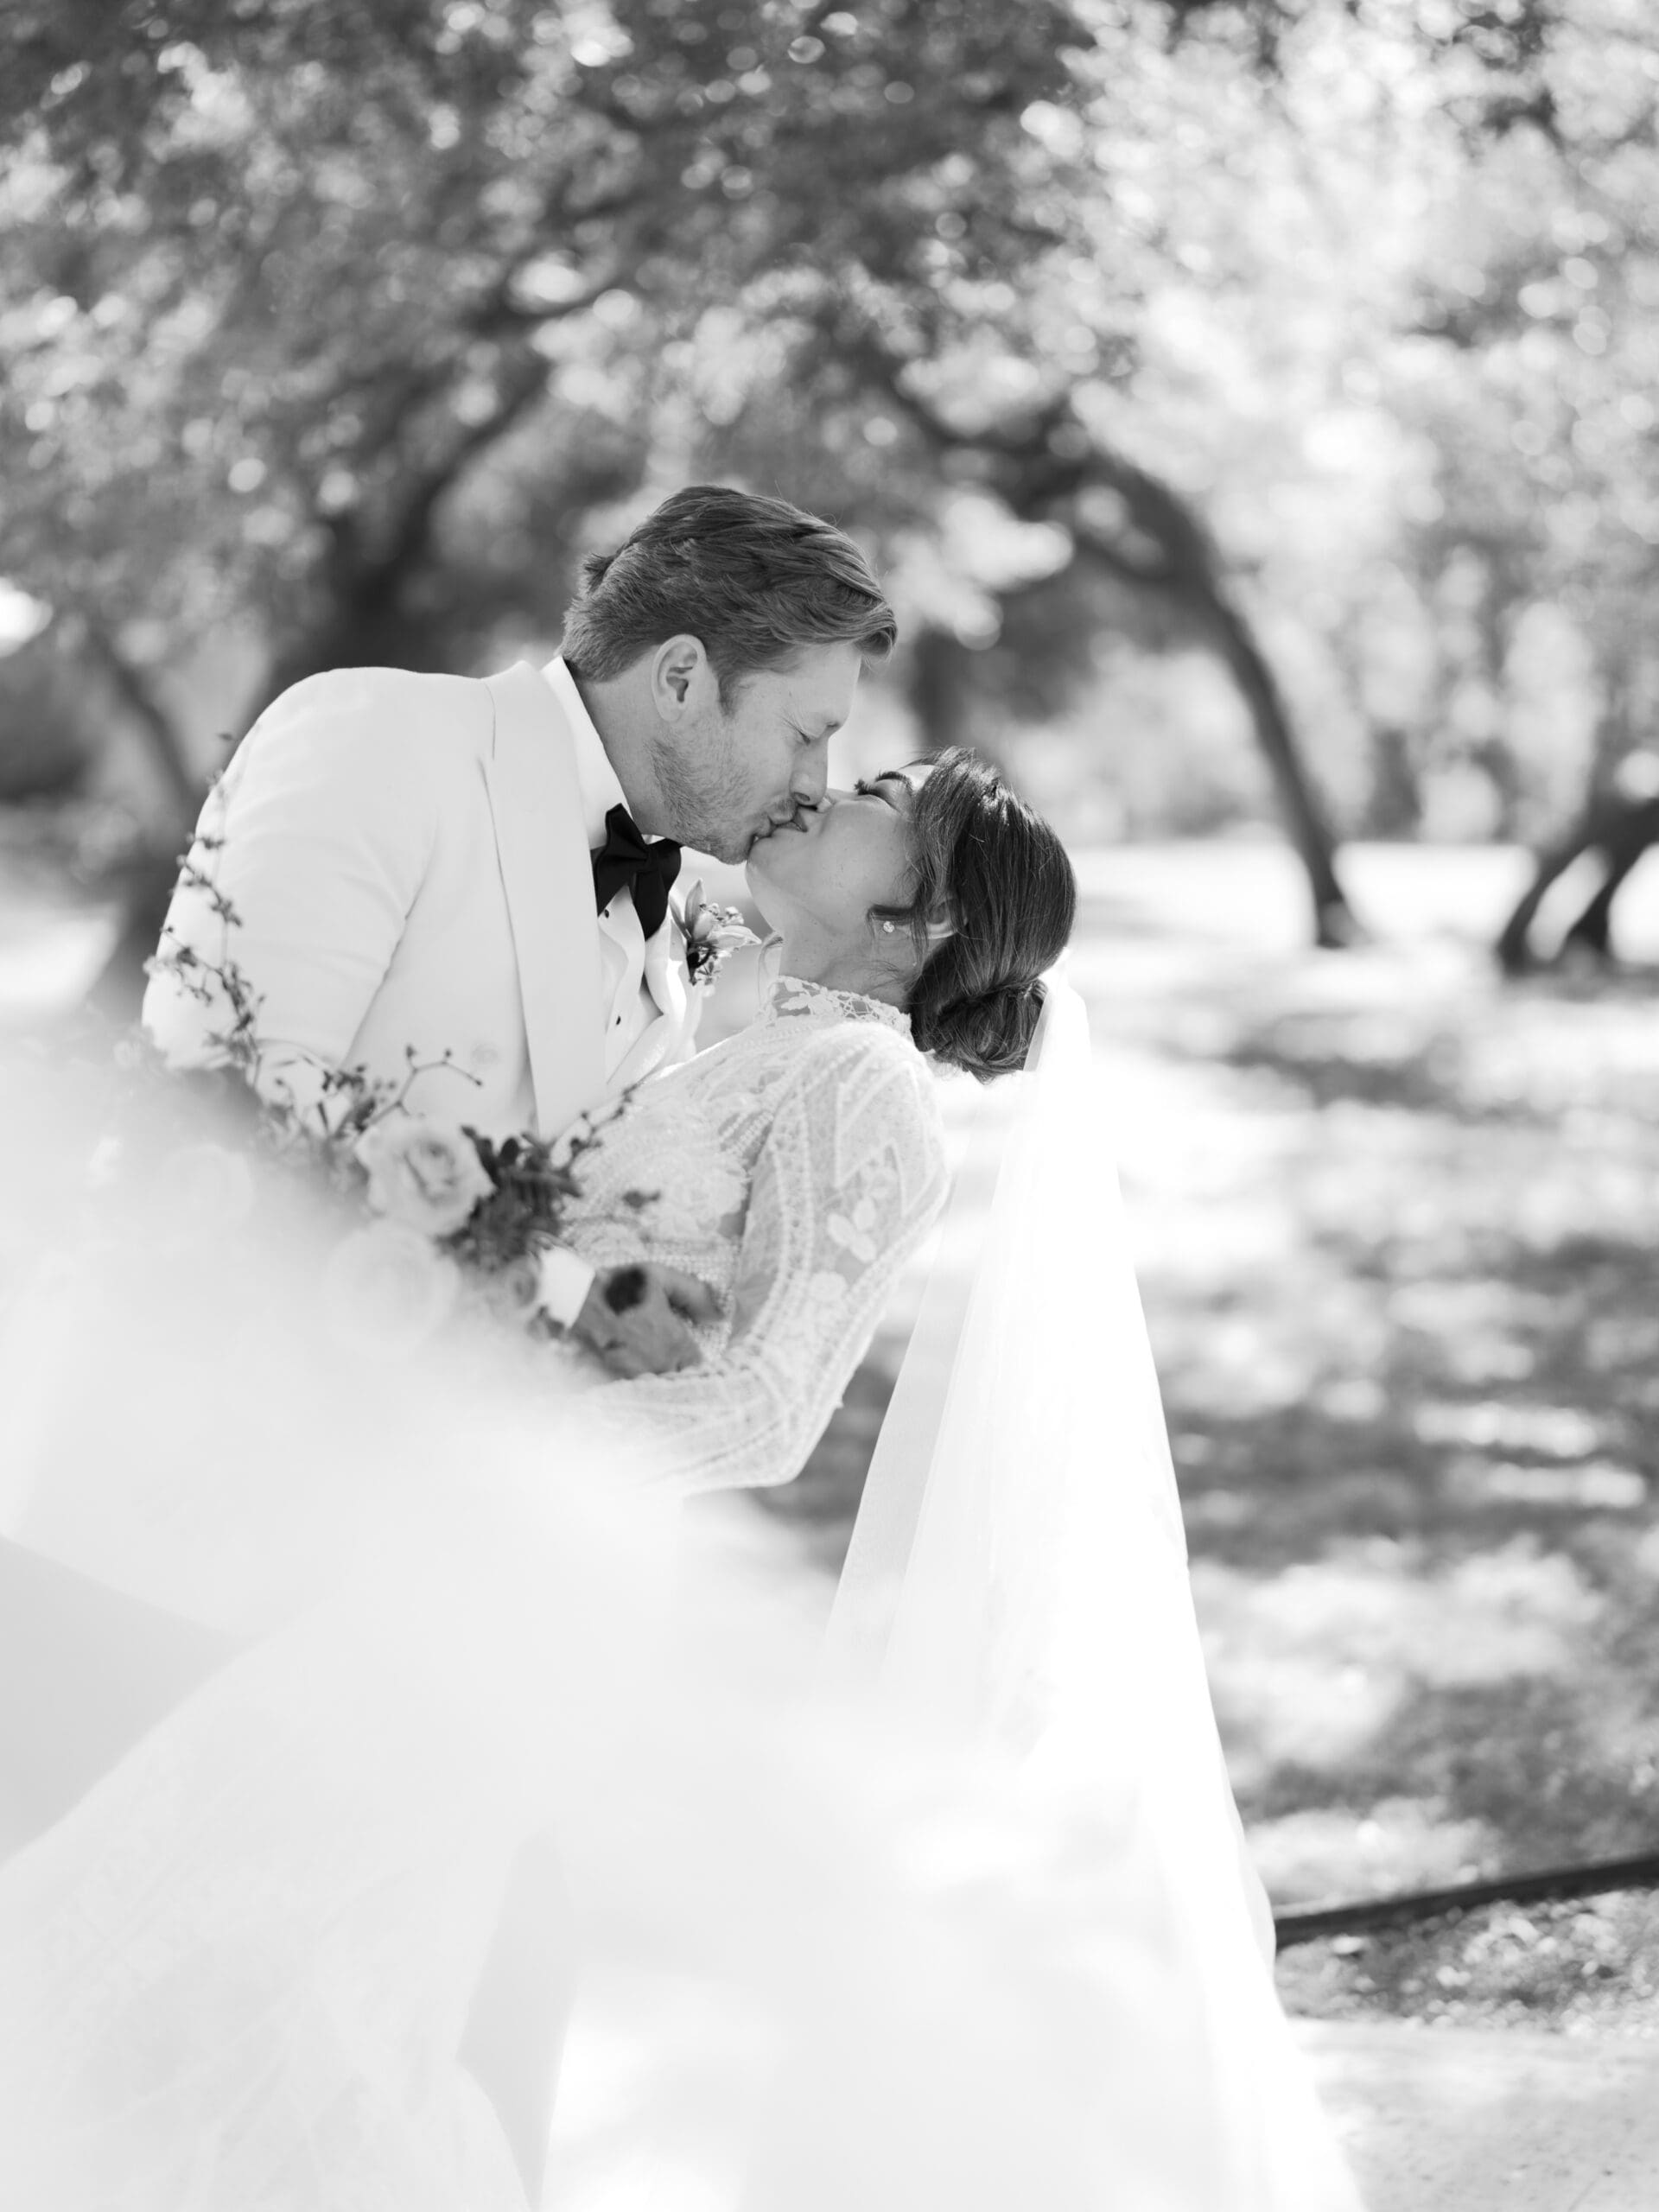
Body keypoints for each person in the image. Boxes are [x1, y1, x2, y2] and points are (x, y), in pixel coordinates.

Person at [0, 749, 1104, 2210]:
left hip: (490, 1596)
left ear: (921, 918)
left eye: (877, 803)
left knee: (204, 1940)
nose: (829, 789)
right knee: (282, 1982)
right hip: (421, 1575)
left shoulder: (866, 1091)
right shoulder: (735, 1031)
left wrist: (494, 1467)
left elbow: (772, 1406)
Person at [141, 481, 898, 1376]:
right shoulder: (377, 739)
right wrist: (578, 1298)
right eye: (807, 732)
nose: (819, 780)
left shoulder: (669, 931)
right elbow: (221, 1094)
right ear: (682, 678)